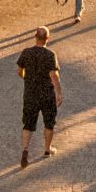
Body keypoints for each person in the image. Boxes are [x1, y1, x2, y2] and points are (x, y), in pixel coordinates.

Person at [16, 26, 61, 168]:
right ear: (47, 39)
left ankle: (25, 151)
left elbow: (19, 71)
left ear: (35, 37)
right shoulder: (50, 54)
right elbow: (53, 75)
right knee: (49, 123)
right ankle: (47, 149)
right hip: (47, 94)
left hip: (30, 94)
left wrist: (27, 79)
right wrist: (58, 92)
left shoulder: (26, 53)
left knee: (28, 124)